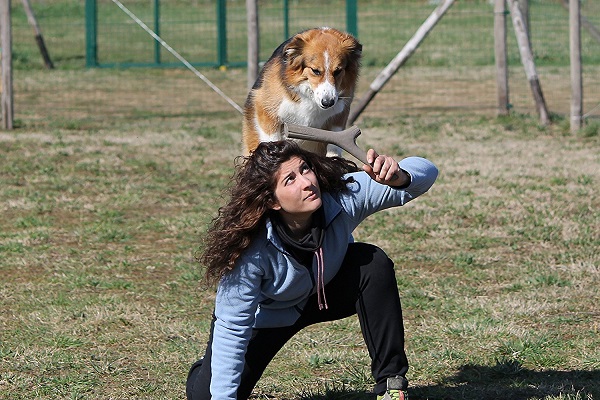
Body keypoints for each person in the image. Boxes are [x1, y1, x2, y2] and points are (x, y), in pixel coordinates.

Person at [186, 140, 438, 400]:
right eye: (290, 180)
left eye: (305, 169)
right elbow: (233, 328)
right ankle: (204, 367)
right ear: (272, 201)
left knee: (372, 263)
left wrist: (399, 177)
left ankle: (391, 386)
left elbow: (427, 172)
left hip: (324, 293)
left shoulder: (340, 197)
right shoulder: (250, 249)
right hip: (269, 317)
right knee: (206, 395)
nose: (306, 182)